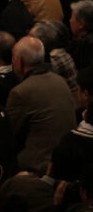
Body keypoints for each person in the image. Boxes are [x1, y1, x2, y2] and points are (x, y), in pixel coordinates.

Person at [6, 36, 77, 172]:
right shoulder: (60, 80)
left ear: (19, 61)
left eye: (13, 58)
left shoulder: (20, 92)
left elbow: (9, 135)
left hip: (38, 165)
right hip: (68, 158)